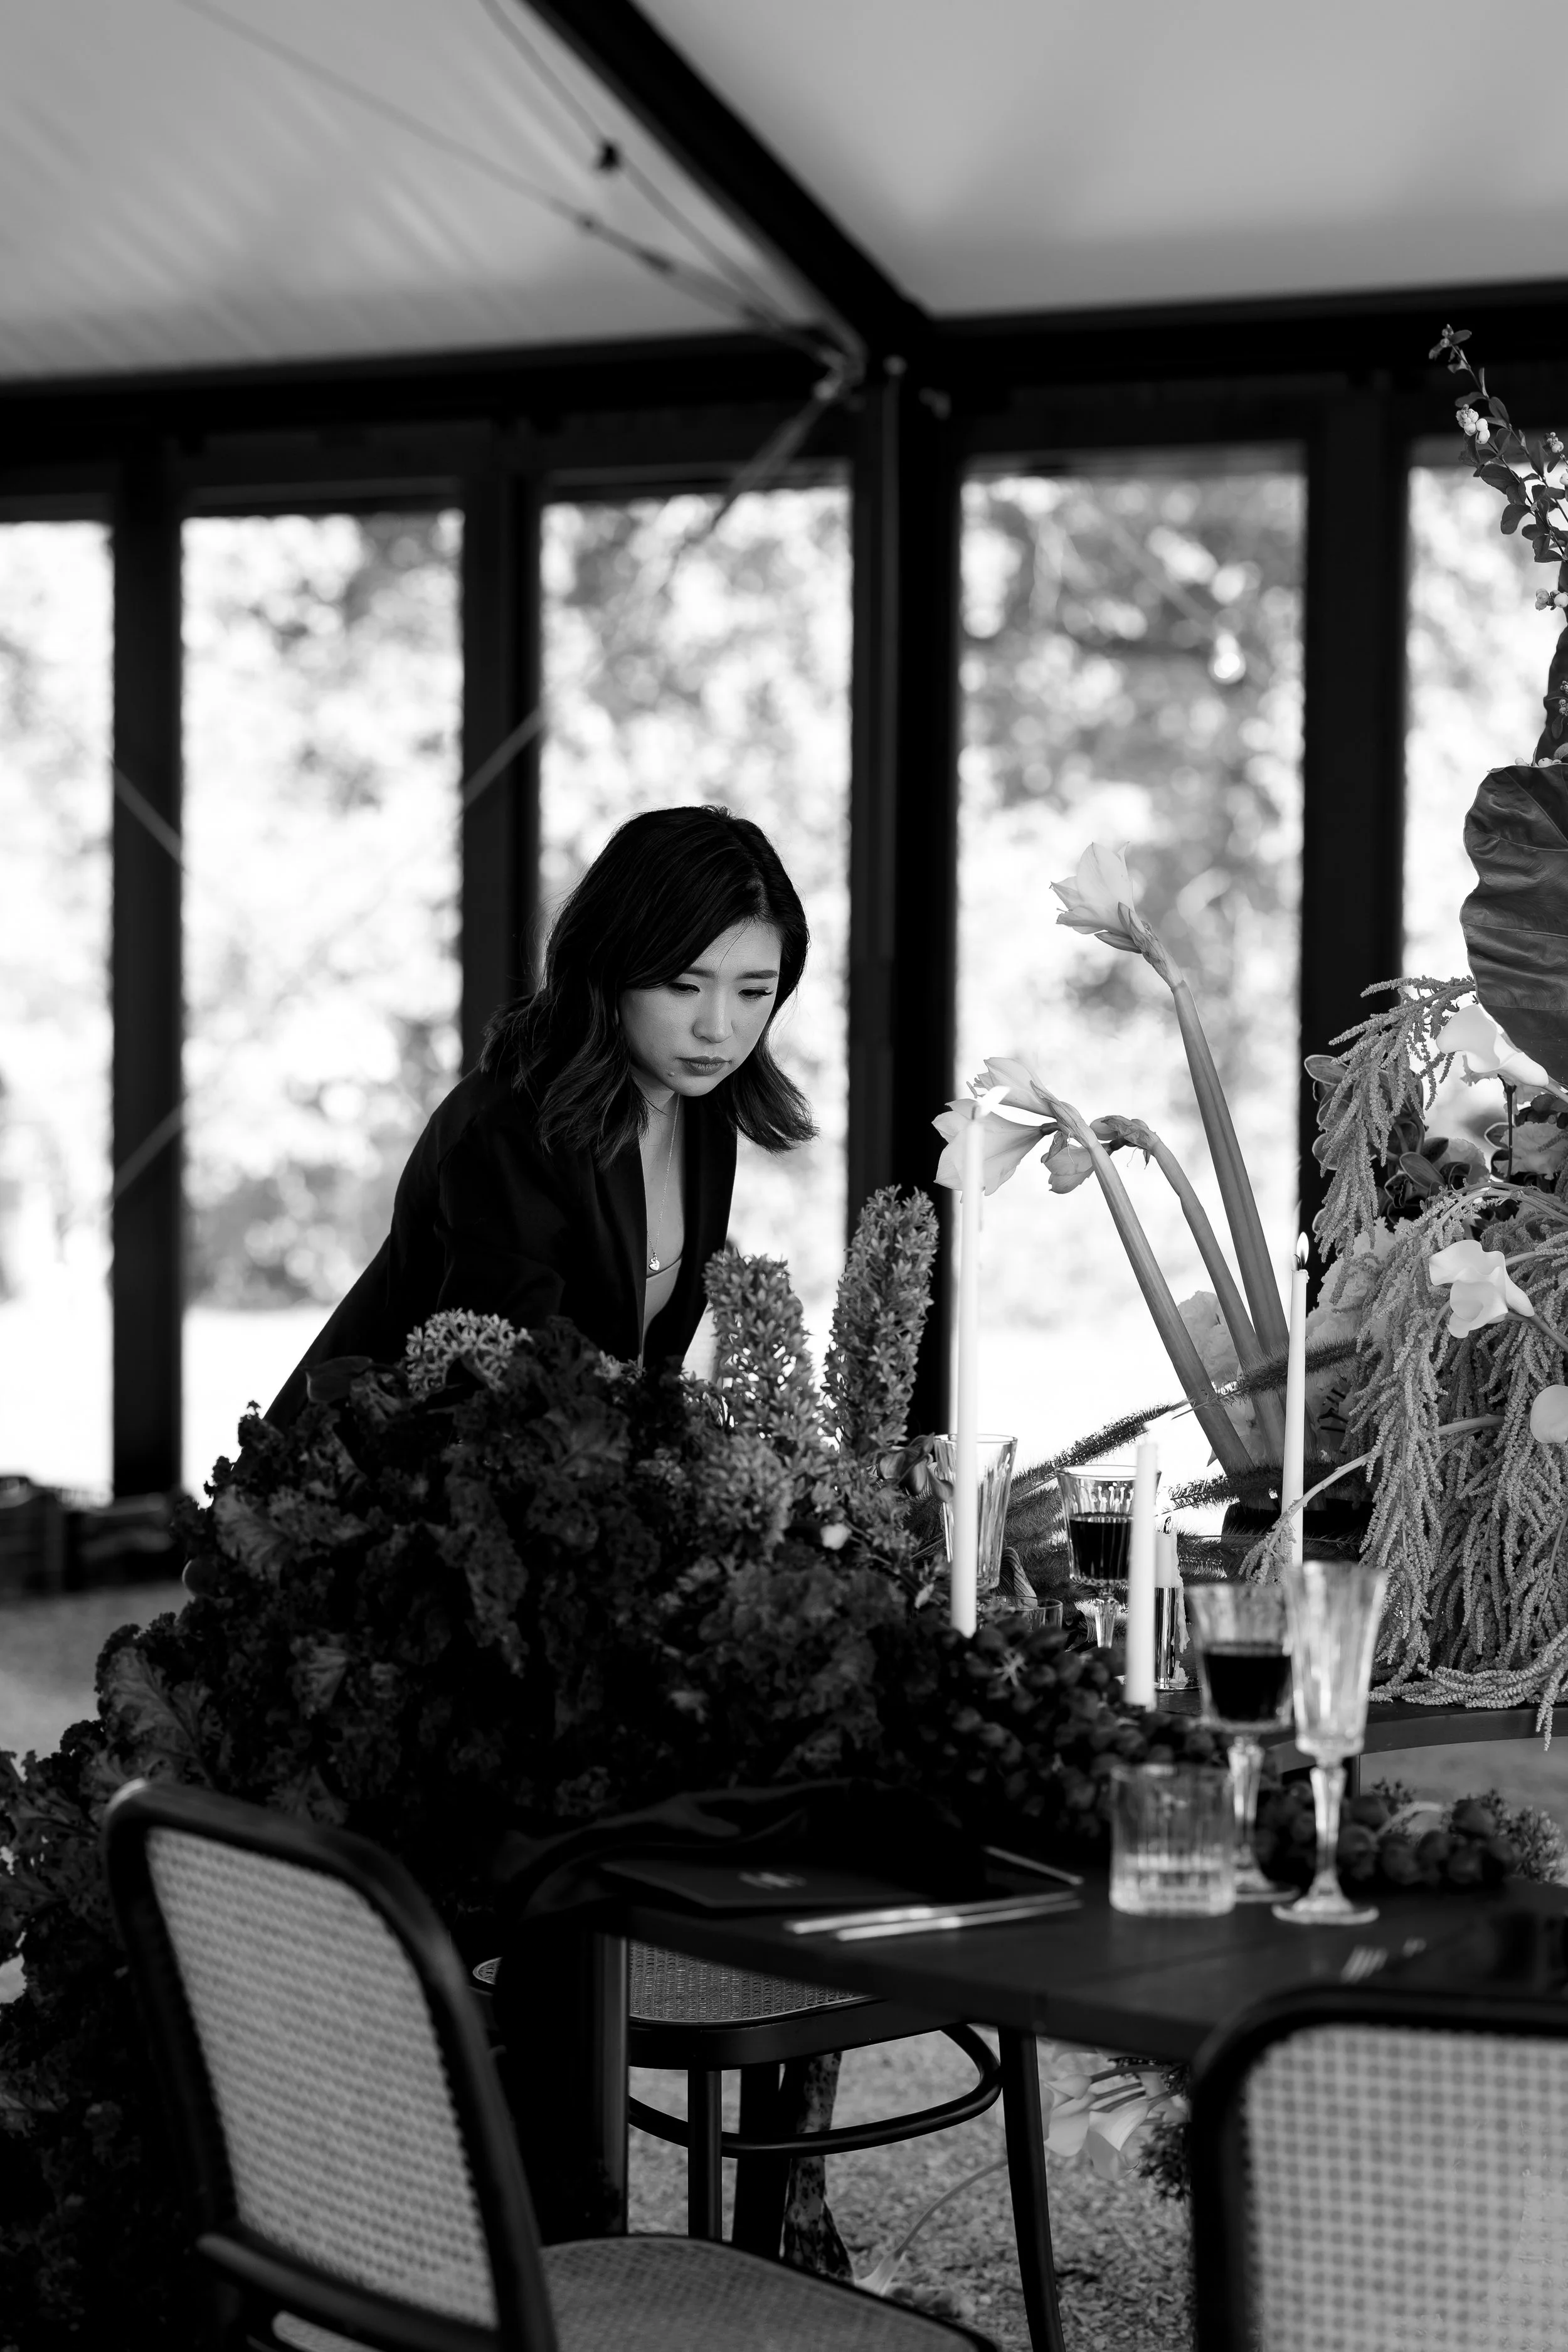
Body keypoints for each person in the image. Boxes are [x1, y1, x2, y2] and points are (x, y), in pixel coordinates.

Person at [267, 805, 814, 1424]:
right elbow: (491, 1411)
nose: (717, 1028)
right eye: (683, 986)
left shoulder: (702, 1106)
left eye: (752, 993)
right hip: (375, 1488)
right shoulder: (510, 1130)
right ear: (611, 966)